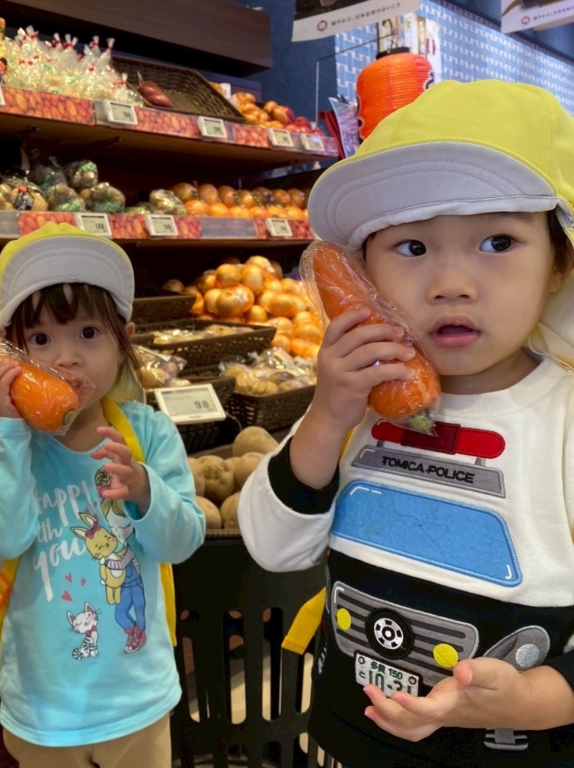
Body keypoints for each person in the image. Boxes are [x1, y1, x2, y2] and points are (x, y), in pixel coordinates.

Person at [239, 79, 574, 767]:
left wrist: (534, 698)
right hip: (348, 737)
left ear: (558, 265)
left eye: (498, 241)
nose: (451, 283)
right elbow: (274, 547)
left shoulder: (564, 419)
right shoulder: (357, 404)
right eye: (412, 248)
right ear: (363, 278)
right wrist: (327, 416)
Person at [0, 223, 205, 767]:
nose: (66, 358)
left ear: (124, 341)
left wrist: (144, 489)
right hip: (44, 707)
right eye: (40, 340)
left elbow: (183, 542)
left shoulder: (148, 434)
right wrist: (5, 432)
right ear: (8, 355)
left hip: (137, 697)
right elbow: (1, 539)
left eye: (88, 333)